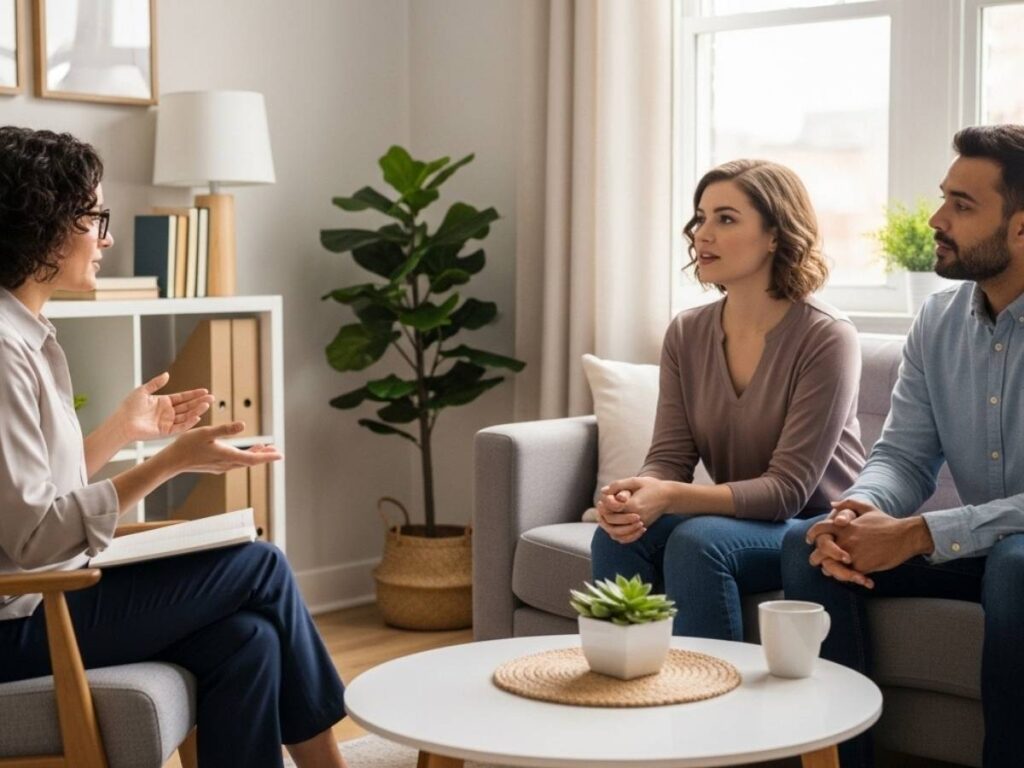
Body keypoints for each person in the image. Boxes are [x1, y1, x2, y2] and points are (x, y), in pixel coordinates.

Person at [0, 126, 348, 768]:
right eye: (93, 216)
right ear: (43, 222)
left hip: (40, 600)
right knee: (263, 566)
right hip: (18, 623)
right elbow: (33, 544)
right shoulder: (3, 348)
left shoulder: (27, 335)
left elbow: (36, 500)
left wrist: (124, 432)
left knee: (247, 639)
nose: (105, 238)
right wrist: (169, 464)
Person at [782, 124, 1024, 768]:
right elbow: (904, 456)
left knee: (1018, 564)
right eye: (944, 197)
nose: (936, 218)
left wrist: (918, 534)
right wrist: (857, 510)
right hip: (979, 546)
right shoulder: (939, 321)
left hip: (1012, 556)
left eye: (962, 206)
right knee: (806, 546)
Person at [591, 159, 865, 640]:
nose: (703, 234)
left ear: (776, 236)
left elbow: (786, 492)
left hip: (813, 527)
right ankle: (618, 692)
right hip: (740, 518)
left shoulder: (827, 337)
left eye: (726, 218)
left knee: (700, 542)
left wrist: (673, 496)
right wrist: (637, 492)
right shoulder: (687, 331)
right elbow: (670, 457)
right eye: (700, 218)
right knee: (618, 535)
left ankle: (715, 707)